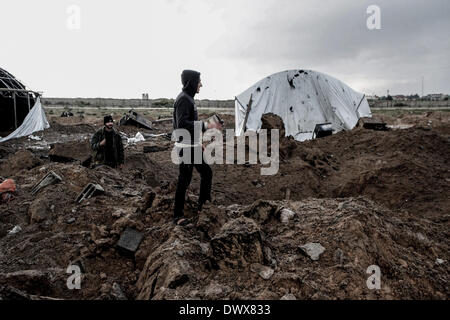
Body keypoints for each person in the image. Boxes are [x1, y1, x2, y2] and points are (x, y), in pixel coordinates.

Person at [172, 70, 222, 226]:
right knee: (184, 180)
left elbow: (189, 125)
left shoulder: (188, 99)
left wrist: (198, 142)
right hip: (185, 147)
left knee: (206, 173)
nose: (201, 84)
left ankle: (203, 205)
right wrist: (206, 125)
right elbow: (181, 125)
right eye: (199, 81)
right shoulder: (183, 100)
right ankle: (177, 216)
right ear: (191, 82)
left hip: (192, 145)